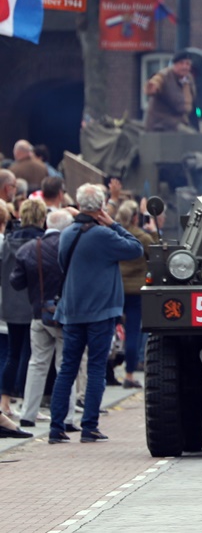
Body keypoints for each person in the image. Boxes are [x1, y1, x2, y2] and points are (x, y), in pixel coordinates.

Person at [47, 183, 143, 444]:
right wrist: (113, 224)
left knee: (67, 367)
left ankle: (57, 427)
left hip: (72, 310)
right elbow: (136, 248)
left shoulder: (67, 234)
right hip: (101, 311)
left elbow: (61, 264)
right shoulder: (104, 235)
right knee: (97, 367)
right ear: (101, 208)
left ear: (79, 205)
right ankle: (89, 426)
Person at [8, 209, 81, 428]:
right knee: (65, 366)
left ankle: (28, 414)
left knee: (36, 364)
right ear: (67, 227)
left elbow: (16, 282)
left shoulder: (29, 249)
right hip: (65, 316)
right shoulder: (72, 249)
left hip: (39, 315)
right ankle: (67, 417)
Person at [0, 198, 48, 417]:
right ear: (41, 217)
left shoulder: (7, 242)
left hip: (10, 306)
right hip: (35, 305)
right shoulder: (43, 242)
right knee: (34, 358)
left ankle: (5, 402)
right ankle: (28, 404)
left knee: (13, 354)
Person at [114, 200, 154, 389]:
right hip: (136, 292)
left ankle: (108, 371)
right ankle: (129, 374)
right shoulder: (142, 238)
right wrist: (153, 230)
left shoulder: (114, 237)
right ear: (136, 218)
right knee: (133, 333)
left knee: (109, 332)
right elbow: (155, 256)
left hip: (115, 290)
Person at [144, 51, 197, 133]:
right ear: (174, 65)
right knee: (190, 135)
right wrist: (152, 87)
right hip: (161, 124)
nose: (185, 67)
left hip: (178, 122)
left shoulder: (188, 79)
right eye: (181, 63)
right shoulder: (165, 76)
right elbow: (156, 81)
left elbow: (188, 104)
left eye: (187, 64)